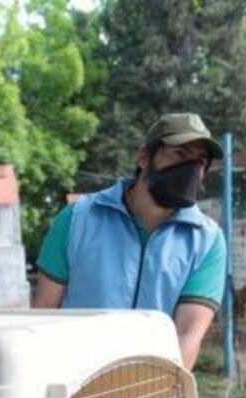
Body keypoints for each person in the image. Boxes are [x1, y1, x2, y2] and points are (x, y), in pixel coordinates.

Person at [32, 112, 227, 371]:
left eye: (200, 161)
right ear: (144, 157)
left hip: (152, 392)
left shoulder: (206, 241)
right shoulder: (78, 219)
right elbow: (44, 311)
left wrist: (159, 397)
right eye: (180, 154)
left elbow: (188, 335)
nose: (191, 168)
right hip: (74, 383)